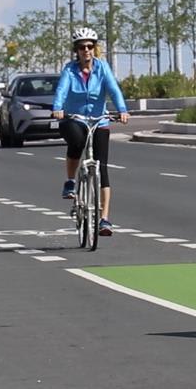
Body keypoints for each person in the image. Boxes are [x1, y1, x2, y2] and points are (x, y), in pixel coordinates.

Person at [53, 27, 130, 236]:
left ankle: (104, 219)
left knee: (102, 168)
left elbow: (114, 89)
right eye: (81, 47)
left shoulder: (102, 68)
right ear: (76, 50)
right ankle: (70, 182)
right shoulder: (70, 70)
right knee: (76, 142)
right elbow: (61, 89)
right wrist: (58, 108)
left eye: (90, 46)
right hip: (74, 118)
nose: (86, 50)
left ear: (95, 48)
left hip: (99, 120)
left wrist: (122, 110)